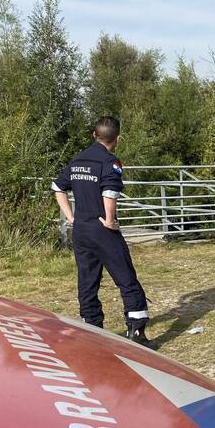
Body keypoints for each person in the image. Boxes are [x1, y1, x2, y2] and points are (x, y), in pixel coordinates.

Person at [52, 116, 155, 348]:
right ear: (117, 138)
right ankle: (137, 332)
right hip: (102, 230)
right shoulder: (110, 162)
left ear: (94, 135)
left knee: (87, 280)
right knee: (126, 278)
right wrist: (109, 220)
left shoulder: (77, 160)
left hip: (81, 230)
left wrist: (71, 217)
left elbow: (58, 187)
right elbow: (110, 192)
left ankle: (92, 330)